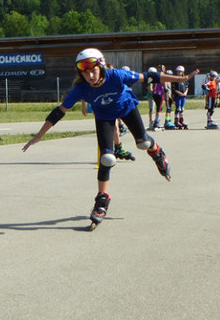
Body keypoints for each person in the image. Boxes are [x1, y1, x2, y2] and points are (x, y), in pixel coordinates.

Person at [22, 48, 199, 226]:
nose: (90, 75)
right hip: (104, 117)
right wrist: (39, 136)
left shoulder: (117, 76)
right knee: (106, 158)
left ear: (101, 67)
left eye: (93, 70)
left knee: (143, 143)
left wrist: (181, 79)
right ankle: (101, 201)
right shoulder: (80, 89)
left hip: (127, 108)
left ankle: (158, 153)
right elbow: (59, 112)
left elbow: (151, 76)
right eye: (85, 72)